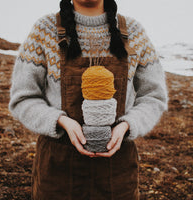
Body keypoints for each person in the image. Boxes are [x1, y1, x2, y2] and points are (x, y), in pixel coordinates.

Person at [9, 0, 168, 199]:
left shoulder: (133, 32)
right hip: (57, 169)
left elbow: (154, 96)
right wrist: (60, 121)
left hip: (117, 172)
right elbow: (23, 98)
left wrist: (127, 125)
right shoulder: (45, 30)